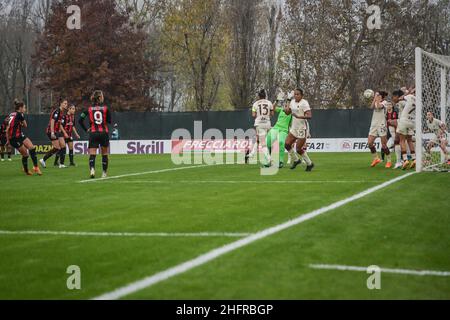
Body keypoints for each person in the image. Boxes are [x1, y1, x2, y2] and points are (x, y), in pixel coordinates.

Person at [78, 90, 111, 179]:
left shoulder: (88, 109)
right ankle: (104, 173)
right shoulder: (105, 108)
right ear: (100, 97)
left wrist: (86, 129)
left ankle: (92, 169)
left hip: (93, 133)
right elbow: (109, 121)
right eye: (102, 96)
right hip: (103, 133)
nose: (103, 97)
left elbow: (80, 120)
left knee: (92, 154)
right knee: (104, 154)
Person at [5, 99, 42, 175]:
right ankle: (26, 170)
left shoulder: (11, 114)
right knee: (25, 154)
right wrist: (9, 140)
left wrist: (7, 140)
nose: (25, 109)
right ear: (20, 108)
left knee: (31, 147)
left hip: (19, 135)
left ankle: (36, 167)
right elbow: (25, 125)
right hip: (14, 138)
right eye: (24, 108)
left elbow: (7, 128)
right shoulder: (20, 114)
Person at [284, 88, 314, 171]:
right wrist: (288, 100)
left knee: (298, 149)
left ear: (302, 95)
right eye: (295, 94)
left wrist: (299, 116)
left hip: (302, 128)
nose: (296, 96)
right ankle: (297, 160)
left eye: (298, 94)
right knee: (286, 144)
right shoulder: (292, 102)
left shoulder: (304, 103)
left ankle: (309, 163)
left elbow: (309, 116)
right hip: (294, 127)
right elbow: (287, 112)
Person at [40, 98, 69, 169]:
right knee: (57, 147)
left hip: (57, 131)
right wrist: (52, 132)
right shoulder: (57, 111)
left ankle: (61, 164)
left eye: (66, 103)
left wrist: (63, 132)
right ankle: (43, 159)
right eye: (65, 103)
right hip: (51, 131)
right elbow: (52, 121)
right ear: (61, 104)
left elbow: (59, 123)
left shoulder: (62, 112)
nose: (66, 105)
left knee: (63, 146)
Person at [247, 89, 274, 165]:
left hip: (259, 124)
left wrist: (257, 113)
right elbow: (272, 114)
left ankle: (269, 159)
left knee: (263, 143)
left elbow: (253, 115)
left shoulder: (255, 104)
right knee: (259, 139)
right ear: (265, 96)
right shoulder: (269, 102)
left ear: (259, 96)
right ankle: (252, 153)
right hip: (268, 123)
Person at [265, 93, 292, 168]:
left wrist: (289, 100)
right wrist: (277, 100)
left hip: (284, 130)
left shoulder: (291, 112)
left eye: (287, 104)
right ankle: (269, 160)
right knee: (267, 142)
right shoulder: (281, 110)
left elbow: (291, 124)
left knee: (281, 142)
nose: (285, 105)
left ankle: (281, 161)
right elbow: (272, 108)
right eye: (285, 104)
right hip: (275, 128)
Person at [367, 91, 392, 168]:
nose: (378, 96)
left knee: (384, 145)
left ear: (382, 97)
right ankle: (376, 158)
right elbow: (371, 107)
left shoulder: (385, 103)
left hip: (382, 125)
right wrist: (375, 98)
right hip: (374, 125)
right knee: (370, 143)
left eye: (379, 95)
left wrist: (377, 99)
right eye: (377, 95)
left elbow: (378, 106)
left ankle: (389, 161)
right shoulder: (376, 101)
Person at [396, 88, 416, 170]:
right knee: (410, 140)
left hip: (404, 120)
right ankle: (414, 159)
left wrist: (406, 93)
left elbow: (399, 99)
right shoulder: (420, 101)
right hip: (412, 122)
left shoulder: (410, 96)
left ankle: (405, 160)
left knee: (401, 140)